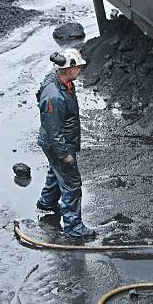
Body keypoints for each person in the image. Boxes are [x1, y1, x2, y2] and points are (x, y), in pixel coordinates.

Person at [35, 48, 96, 238]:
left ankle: (46, 202)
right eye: (78, 67)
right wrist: (65, 154)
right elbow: (54, 131)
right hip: (58, 145)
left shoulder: (61, 81)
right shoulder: (54, 95)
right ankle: (74, 227)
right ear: (69, 70)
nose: (80, 70)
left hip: (57, 143)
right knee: (71, 183)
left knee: (56, 171)